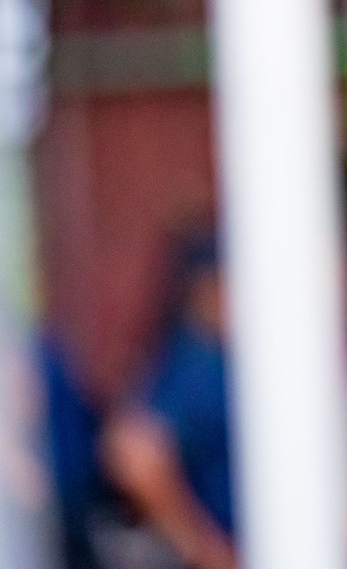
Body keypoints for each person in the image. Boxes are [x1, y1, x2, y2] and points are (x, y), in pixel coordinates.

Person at [99, 236, 237, 569]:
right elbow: (133, 453)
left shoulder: (208, 359)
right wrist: (210, 553)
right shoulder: (199, 362)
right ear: (209, 290)